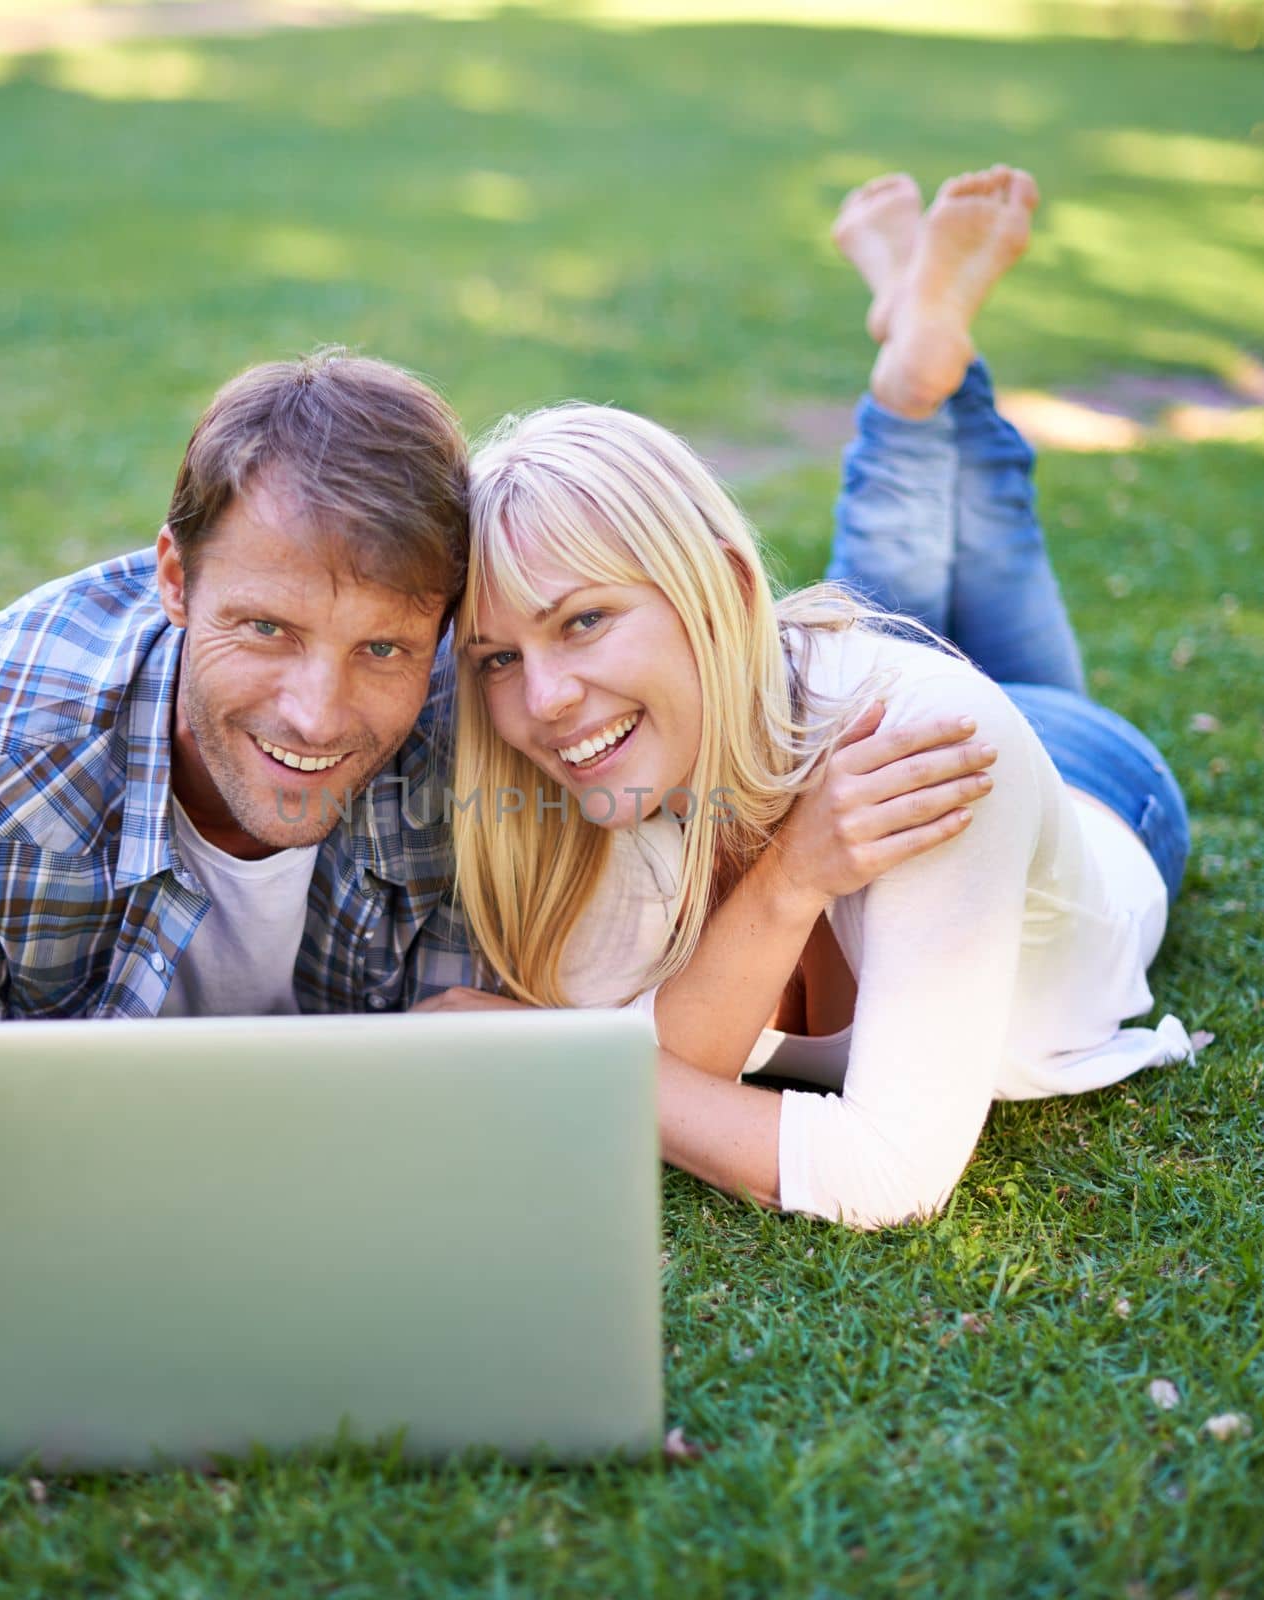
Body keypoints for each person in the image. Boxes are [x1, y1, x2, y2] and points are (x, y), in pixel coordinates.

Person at [0, 348, 986, 1212]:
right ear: (173, 577)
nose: (316, 717)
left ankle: (919, 403)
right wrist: (34, 1198)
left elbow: (597, 1067)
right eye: (263, 627)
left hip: (1024, 766)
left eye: (382, 648)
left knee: (908, 643)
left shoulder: (493, 729)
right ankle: (915, 399)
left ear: (439, 631)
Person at [437, 167, 1193, 1229]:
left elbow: (889, 1176)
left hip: (1095, 784)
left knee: (980, 598)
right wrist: (793, 878)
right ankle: (917, 339)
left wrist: (532, 1044)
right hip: (791, 692)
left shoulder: (936, 740)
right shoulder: (588, 766)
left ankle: (921, 372)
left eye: (583, 620)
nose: (547, 699)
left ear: (725, 593)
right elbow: (677, 1057)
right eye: (496, 658)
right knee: (845, 637)